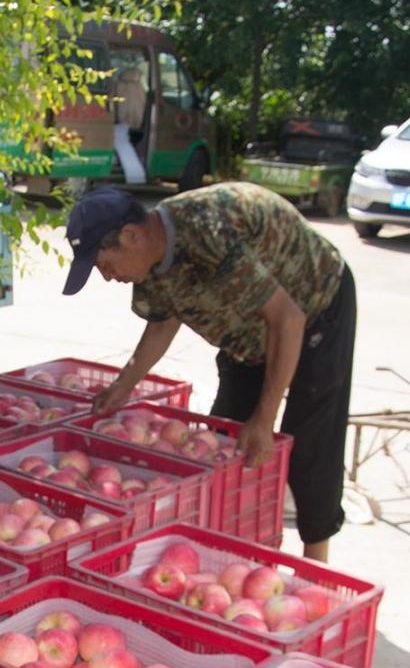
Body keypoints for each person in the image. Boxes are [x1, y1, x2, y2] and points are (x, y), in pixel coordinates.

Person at [63, 182, 357, 562]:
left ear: (131, 236)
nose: (107, 276)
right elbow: (161, 323)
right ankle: (232, 554)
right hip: (246, 330)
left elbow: (287, 319)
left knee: (308, 445)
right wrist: (123, 386)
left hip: (315, 305)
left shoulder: (206, 232)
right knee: (223, 441)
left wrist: (264, 419)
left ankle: (317, 567)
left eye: (105, 264)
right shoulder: (150, 261)